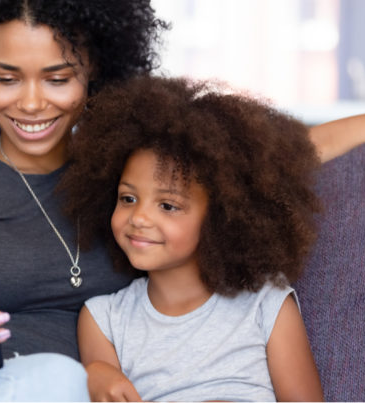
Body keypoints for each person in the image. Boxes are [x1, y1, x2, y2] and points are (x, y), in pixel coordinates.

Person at [0, 0, 365, 401]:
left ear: (93, 72)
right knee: (60, 379)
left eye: (58, 77)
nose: (31, 102)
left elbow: (267, 154)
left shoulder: (126, 171)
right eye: (6, 78)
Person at [59, 75, 325, 401]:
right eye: (128, 198)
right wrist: (92, 374)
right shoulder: (104, 319)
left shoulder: (266, 305)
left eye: (168, 205)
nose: (139, 218)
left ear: (220, 217)